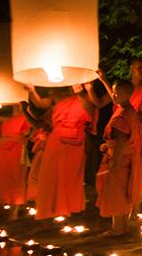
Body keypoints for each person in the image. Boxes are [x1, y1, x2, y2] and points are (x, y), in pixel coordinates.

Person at [95, 59, 142, 211]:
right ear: (131, 68)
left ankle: (134, 205)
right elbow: (111, 100)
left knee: (138, 170)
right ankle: (123, 207)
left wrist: (132, 116)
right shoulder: (122, 92)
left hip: (138, 134)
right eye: (140, 67)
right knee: (121, 172)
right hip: (121, 133)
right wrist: (102, 80)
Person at [29, 84, 96, 220]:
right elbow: (40, 104)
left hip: (76, 138)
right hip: (58, 137)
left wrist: (79, 93)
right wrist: (31, 89)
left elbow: (90, 110)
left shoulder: (83, 95)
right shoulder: (56, 95)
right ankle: (52, 208)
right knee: (52, 172)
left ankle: (69, 206)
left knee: (71, 174)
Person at [96, 81, 142, 236]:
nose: (113, 95)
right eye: (113, 92)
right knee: (123, 192)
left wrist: (115, 161)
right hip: (127, 157)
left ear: (127, 95)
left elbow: (121, 140)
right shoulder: (129, 111)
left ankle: (117, 228)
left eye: (117, 93)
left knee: (116, 194)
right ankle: (123, 226)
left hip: (120, 159)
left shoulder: (122, 115)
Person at [0, 105, 31, 220]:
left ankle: (14, 211)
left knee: (17, 178)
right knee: (3, 177)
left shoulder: (25, 117)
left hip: (16, 149)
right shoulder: (4, 119)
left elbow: (30, 131)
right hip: (4, 150)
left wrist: (24, 139)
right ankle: (4, 207)